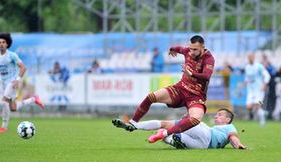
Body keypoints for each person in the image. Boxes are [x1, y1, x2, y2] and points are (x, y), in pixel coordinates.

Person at [112, 35, 215, 143]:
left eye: (195, 49)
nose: (192, 52)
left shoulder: (209, 59)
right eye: (190, 48)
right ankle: (132, 122)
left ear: (202, 47)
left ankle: (164, 134)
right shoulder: (187, 51)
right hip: (180, 89)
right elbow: (178, 48)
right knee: (151, 96)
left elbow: (206, 76)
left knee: (195, 119)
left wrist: (191, 74)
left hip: (196, 96)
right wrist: (172, 49)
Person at [117, 108, 247, 149]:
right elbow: (230, 139)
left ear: (228, 120)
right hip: (203, 145)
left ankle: (135, 126)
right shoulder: (217, 129)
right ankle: (172, 138)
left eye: (219, 115)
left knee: (167, 124)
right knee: (170, 137)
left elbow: (233, 137)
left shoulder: (229, 127)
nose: (216, 117)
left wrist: (239, 145)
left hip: (205, 136)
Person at [0, 33, 44, 133]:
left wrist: (17, 79)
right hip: (4, 83)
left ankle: (4, 127)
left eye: (3, 42)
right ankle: (34, 99)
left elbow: (23, 67)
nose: (1, 44)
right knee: (13, 108)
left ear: (7, 44)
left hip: (12, 82)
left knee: (4, 101)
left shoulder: (12, 55)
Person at [244, 53, 270, 127]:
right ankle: (265, 112)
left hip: (259, 91)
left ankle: (262, 122)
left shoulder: (259, 66)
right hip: (250, 91)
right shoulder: (247, 67)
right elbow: (247, 77)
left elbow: (267, 76)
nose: (250, 58)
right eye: (249, 57)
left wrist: (264, 85)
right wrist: (246, 81)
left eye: (251, 57)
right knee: (249, 106)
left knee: (259, 105)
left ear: (254, 57)